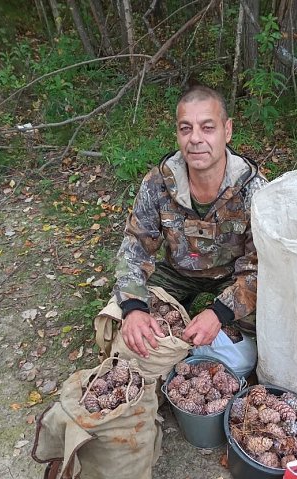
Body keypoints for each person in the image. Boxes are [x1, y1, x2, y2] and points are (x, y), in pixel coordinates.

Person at [113, 85, 267, 358]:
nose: (195, 138)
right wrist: (134, 307)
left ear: (227, 130)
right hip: (178, 273)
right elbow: (135, 247)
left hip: (233, 277)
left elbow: (262, 266)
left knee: (269, 328)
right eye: (186, 129)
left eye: (207, 128)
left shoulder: (254, 190)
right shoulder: (159, 183)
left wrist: (220, 312)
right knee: (120, 320)